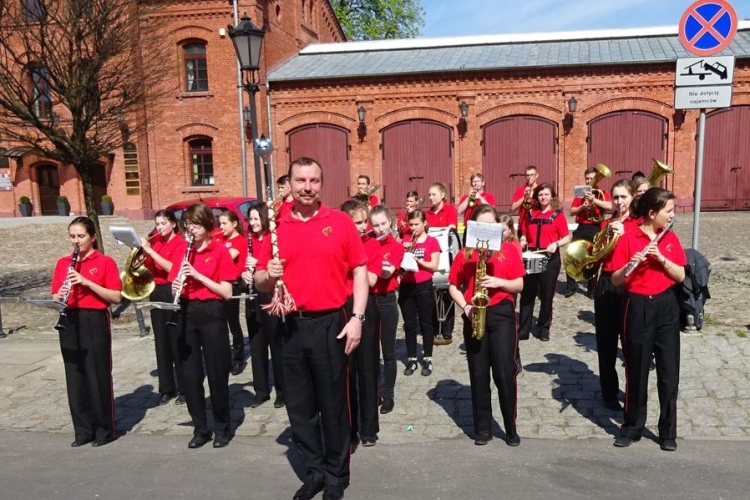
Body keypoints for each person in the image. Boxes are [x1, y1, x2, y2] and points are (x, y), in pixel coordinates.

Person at [255, 157, 367, 500]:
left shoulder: (340, 222)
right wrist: (269, 275)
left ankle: (336, 477)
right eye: (300, 180)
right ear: (289, 184)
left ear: (321, 183)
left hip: (330, 323)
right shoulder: (276, 225)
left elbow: (360, 270)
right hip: (289, 326)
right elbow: (259, 281)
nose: (307, 187)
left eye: (313, 180)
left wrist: (357, 318)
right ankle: (315, 472)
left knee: (333, 405)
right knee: (299, 407)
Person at [610, 188, 686, 451]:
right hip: (638, 305)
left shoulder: (669, 237)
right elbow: (615, 279)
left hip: (666, 306)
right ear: (652, 213)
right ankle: (632, 426)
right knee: (637, 370)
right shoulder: (628, 236)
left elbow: (680, 276)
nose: (672, 215)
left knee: (669, 373)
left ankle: (668, 431)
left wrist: (661, 258)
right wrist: (629, 264)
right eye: (669, 211)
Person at [448, 205, 525, 446]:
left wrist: (499, 282)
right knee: (479, 374)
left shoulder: (509, 249)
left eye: (491, 225)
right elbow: (453, 286)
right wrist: (465, 306)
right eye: (481, 225)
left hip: (501, 314)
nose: (486, 229)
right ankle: (482, 429)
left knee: (504, 373)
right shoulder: (465, 254)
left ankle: (510, 428)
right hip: (474, 313)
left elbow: (519, 284)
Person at [168, 203, 235, 449]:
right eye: (188, 225)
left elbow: (227, 292)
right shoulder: (183, 251)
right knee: (190, 374)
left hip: (212, 312)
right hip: (187, 312)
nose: (191, 229)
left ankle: (222, 428)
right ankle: (200, 429)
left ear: (207, 225)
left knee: (217, 373)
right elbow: (174, 281)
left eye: (195, 225)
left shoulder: (219, 250)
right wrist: (177, 285)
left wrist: (198, 275)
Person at [51, 216, 122, 447]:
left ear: (92, 237)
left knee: (97, 374)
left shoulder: (105, 262)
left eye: (81, 236)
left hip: (94, 319)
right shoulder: (63, 263)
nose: (76, 241)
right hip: (70, 319)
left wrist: (86, 282)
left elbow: (115, 297)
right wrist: (60, 295)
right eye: (72, 236)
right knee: (75, 376)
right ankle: (83, 430)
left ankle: (104, 430)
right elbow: (55, 295)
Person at [594, 180, 637, 412]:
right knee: (606, 342)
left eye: (623, 197)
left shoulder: (639, 224)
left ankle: (633, 394)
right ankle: (609, 393)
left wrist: (626, 233)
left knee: (631, 343)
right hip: (606, 282)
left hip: (630, 283)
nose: (619, 202)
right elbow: (598, 256)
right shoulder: (606, 224)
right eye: (616, 197)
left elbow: (642, 251)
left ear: (632, 197)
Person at [139, 210, 187, 406]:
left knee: (177, 339)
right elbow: (147, 268)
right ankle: (167, 388)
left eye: (163, 223)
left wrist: (150, 251)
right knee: (161, 341)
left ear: (173, 224)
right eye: (157, 224)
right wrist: (140, 252)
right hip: (156, 290)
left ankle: (185, 388)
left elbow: (173, 269)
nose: (159, 228)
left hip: (172, 289)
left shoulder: (180, 244)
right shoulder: (157, 243)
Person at [241, 203, 285, 409]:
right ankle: (261, 390)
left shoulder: (272, 239)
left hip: (270, 294)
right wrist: (244, 274)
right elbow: (239, 271)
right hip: (253, 297)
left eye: (256, 219)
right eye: (250, 219)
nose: (253, 223)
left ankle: (282, 391)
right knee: (257, 344)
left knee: (277, 344)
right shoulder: (247, 241)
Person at [364, 205, 405, 417]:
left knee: (388, 352)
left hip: (387, 301)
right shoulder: (365, 241)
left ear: (390, 222)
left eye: (383, 224)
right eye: (375, 225)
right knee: (369, 352)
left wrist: (371, 261)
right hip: (368, 300)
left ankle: (388, 394)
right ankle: (372, 392)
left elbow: (387, 274)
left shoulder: (396, 247)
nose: (380, 229)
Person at [518, 183, 571, 341]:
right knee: (527, 294)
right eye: (540, 195)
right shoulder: (530, 214)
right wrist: (522, 240)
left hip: (550, 258)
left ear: (551, 196)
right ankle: (524, 328)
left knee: (547, 295)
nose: (543, 197)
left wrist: (556, 244)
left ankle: (543, 328)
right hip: (532, 256)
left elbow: (566, 237)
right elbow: (524, 234)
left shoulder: (558, 215)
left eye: (546, 194)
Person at [399, 210, 441, 377]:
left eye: (416, 224)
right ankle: (411, 358)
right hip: (406, 286)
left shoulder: (432, 242)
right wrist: (402, 252)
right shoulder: (405, 241)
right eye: (411, 225)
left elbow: (434, 266)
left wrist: (418, 260)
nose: (413, 228)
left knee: (426, 324)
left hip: (424, 286)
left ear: (424, 223)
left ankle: (428, 358)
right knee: (409, 325)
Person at [565, 166, 613, 298]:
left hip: (595, 227)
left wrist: (594, 200)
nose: (589, 181)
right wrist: (582, 207)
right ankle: (570, 286)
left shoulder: (602, 193)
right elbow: (571, 212)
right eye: (587, 178)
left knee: (594, 258)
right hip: (581, 227)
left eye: (592, 178)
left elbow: (610, 206)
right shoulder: (580, 193)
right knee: (571, 254)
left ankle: (591, 289)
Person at [216, 210, 248, 376]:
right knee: (219, 322)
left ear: (234, 224)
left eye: (224, 223)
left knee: (233, 323)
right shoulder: (219, 239)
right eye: (219, 223)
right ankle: (223, 358)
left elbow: (226, 258)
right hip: (217, 284)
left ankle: (239, 359)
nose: (221, 227)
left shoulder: (239, 240)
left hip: (232, 284)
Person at [510, 165, 540, 230]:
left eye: (532, 175)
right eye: (527, 175)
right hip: (523, 224)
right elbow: (513, 208)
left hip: (537, 223)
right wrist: (524, 196)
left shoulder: (541, 189)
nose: (529, 177)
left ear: (537, 175)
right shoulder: (520, 189)